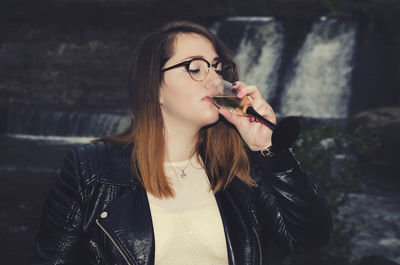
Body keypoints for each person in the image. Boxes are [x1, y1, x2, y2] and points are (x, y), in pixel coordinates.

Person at [31, 21, 332, 265]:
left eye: (217, 67)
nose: (213, 78)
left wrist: (268, 148)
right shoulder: (91, 169)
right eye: (195, 67)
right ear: (155, 88)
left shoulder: (239, 169)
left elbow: (309, 238)